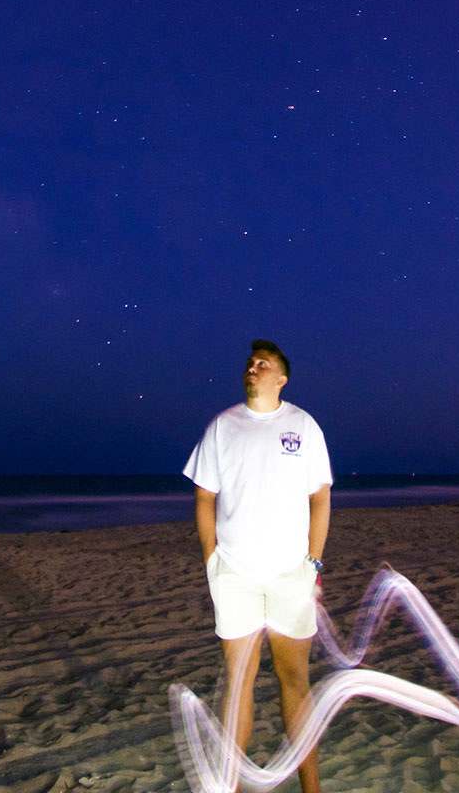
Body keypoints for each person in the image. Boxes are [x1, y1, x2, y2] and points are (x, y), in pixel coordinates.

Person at [183, 339, 333, 793]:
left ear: (281, 378)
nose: (252, 369)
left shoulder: (303, 426)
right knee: (239, 684)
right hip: (236, 577)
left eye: (262, 364)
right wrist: (212, 560)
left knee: (295, 682)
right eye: (249, 364)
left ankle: (312, 789)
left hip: (291, 576)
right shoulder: (223, 426)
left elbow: (320, 497)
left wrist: (312, 561)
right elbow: (204, 496)